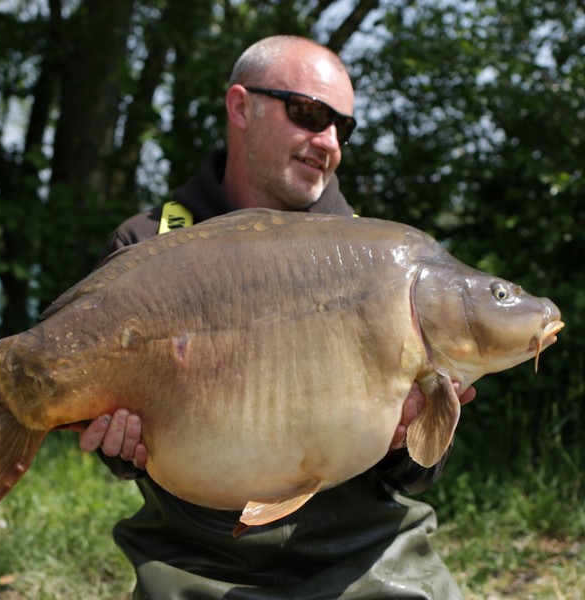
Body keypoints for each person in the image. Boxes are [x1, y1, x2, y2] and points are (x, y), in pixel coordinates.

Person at [76, 35, 476, 599]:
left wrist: (404, 442)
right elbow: (128, 452)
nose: (329, 142)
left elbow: (420, 472)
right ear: (240, 107)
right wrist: (122, 450)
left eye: (344, 127)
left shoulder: (378, 261)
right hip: (198, 557)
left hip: (366, 552)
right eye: (309, 114)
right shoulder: (149, 244)